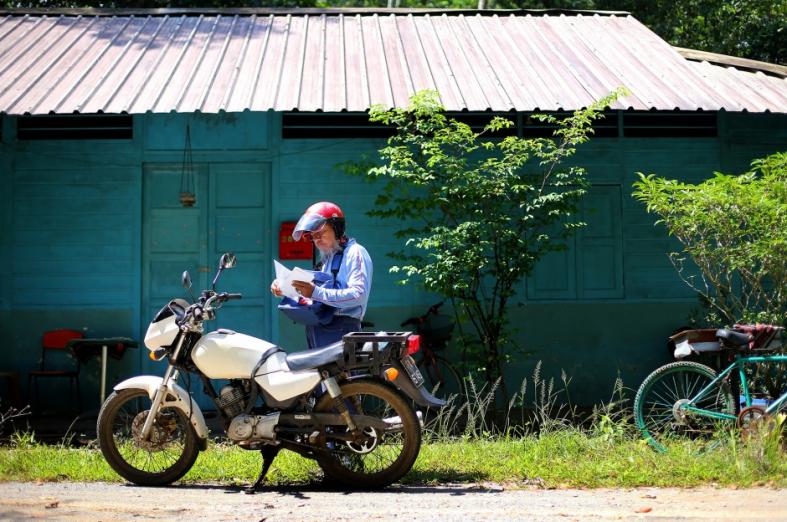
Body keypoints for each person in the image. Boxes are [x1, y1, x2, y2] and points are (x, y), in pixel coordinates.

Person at [271, 202, 373, 350]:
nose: (316, 240)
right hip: (318, 328)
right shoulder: (327, 258)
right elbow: (316, 298)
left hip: (342, 330)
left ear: (337, 229)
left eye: (319, 234)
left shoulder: (355, 252)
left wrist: (315, 292)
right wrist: (285, 288)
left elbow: (358, 295)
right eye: (312, 236)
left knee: (341, 374)